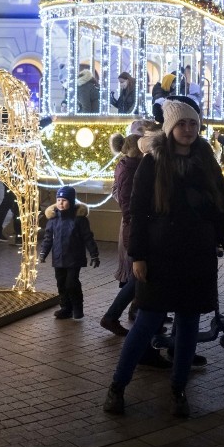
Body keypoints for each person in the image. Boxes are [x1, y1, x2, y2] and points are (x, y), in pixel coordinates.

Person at [103, 101, 224, 418]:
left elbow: (219, 213)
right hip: (160, 256)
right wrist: (138, 256)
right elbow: (137, 213)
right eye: (182, 124)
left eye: (193, 124)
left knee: (188, 327)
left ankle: (178, 389)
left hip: (197, 257)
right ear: (170, 128)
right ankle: (117, 386)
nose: (188, 130)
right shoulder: (152, 163)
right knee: (146, 324)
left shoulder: (206, 162)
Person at [100, 132, 144, 336]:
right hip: (135, 226)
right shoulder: (129, 168)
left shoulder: (130, 165)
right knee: (138, 276)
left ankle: (121, 314)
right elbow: (126, 200)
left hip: (135, 224)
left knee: (139, 277)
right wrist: (130, 223)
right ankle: (116, 315)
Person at [39, 186, 100, 320]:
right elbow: (48, 238)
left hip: (74, 258)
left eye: (64, 200)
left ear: (71, 201)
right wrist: (43, 252)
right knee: (61, 283)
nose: (61, 203)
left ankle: (77, 307)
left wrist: (94, 254)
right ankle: (66, 308)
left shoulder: (79, 220)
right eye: (59, 200)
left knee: (71, 283)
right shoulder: (53, 220)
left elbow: (87, 237)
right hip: (59, 257)